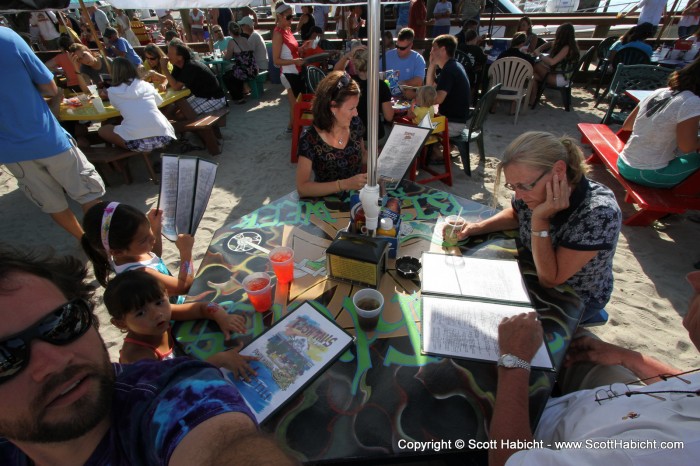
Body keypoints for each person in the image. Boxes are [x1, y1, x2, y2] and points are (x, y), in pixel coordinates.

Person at [0, 246, 294, 465]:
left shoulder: (162, 390)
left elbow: (218, 439)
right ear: (119, 323)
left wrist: (220, 316)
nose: (53, 363)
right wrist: (216, 360)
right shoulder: (136, 356)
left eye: (63, 323)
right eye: (4, 356)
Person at [489, 270, 700, 466]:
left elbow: (511, 460)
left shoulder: (656, 451)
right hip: (619, 400)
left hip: (548, 431)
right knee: (566, 336)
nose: (693, 278)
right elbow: (688, 387)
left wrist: (515, 361)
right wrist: (629, 358)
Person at [452, 132, 622, 323]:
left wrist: (540, 219)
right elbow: (516, 215)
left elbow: (551, 279)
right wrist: (476, 227)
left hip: (574, 298)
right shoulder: (532, 188)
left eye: (524, 186)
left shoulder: (599, 213)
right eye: (512, 186)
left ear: (558, 170)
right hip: (529, 270)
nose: (519, 195)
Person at [0, 27, 104, 241]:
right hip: (45, 136)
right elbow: (50, 88)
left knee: (51, 202)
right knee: (89, 192)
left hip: (10, 149)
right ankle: (100, 243)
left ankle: (84, 241)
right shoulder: (7, 37)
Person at [104, 269, 257, 380]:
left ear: (166, 294)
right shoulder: (138, 357)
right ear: (120, 323)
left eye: (159, 302)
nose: (156, 313)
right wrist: (220, 359)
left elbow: (201, 308)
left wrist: (223, 317)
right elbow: (175, 383)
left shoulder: (161, 315)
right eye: (140, 313)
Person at [81, 201, 196, 302]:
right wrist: (186, 251)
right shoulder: (141, 273)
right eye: (143, 240)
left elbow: (154, 256)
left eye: (148, 229)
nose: (153, 239)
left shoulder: (128, 255)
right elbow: (185, 287)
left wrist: (156, 228)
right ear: (117, 252)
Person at [617, 59, 700, 188]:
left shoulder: (659, 92)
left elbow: (627, 126)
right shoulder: (691, 101)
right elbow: (687, 147)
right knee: (696, 160)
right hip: (646, 173)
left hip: (623, 162)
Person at [296, 71, 368, 198]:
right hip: (327, 206)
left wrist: (382, 158)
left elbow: (362, 155)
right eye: (351, 108)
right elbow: (302, 188)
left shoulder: (355, 124)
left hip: (356, 200)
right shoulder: (310, 138)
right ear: (333, 107)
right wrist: (344, 184)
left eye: (356, 107)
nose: (356, 113)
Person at [96, 58, 176, 154]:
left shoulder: (112, 91)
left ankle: (131, 153)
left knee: (103, 130)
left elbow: (117, 108)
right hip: (164, 137)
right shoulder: (146, 85)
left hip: (138, 143)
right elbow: (159, 102)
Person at [335, 46, 394, 140]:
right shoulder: (381, 85)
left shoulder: (348, 82)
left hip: (352, 136)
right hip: (375, 136)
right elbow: (389, 117)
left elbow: (336, 71)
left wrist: (348, 56)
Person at [161, 39, 227, 117]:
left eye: (170, 53)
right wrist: (164, 83)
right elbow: (171, 81)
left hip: (215, 99)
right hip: (201, 97)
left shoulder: (190, 66)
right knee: (174, 108)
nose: (167, 56)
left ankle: (197, 129)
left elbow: (176, 87)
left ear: (180, 57)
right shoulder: (178, 65)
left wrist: (164, 68)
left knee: (182, 114)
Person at [426, 34, 471, 137]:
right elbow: (430, 86)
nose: (431, 51)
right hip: (456, 121)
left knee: (415, 126)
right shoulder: (453, 65)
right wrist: (432, 64)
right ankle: (439, 149)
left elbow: (437, 99)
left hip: (452, 124)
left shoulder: (449, 70)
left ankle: (437, 151)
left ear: (442, 49)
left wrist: (419, 101)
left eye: (434, 48)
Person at [272, 1, 305, 133]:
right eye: (289, 17)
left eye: (293, 16)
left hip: (295, 70)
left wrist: (302, 48)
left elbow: (291, 51)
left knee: (296, 103)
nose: (292, 19)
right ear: (279, 16)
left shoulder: (287, 30)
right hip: (287, 73)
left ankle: (292, 126)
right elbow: (276, 60)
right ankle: (294, 129)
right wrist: (295, 61)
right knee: (295, 104)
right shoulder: (278, 33)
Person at [530, 22, 579, 106]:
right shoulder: (570, 44)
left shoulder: (567, 48)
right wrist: (539, 48)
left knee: (535, 65)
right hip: (558, 75)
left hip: (560, 79)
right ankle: (531, 100)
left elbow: (552, 62)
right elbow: (550, 43)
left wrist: (539, 54)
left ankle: (520, 88)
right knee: (533, 76)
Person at [223, 22, 254, 105]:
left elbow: (227, 58)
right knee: (234, 72)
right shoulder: (245, 39)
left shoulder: (232, 42)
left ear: (230, 31)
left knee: (227, 76)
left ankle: (238, 97)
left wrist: (224, 54)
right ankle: (241, 93)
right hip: (252, 68)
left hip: (244, 70)